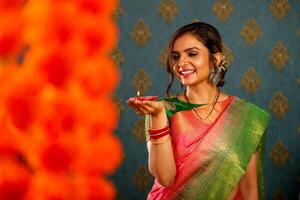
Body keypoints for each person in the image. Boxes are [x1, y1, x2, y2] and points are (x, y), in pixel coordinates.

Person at [127, 22, 269, 200]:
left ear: (215, 59)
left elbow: (249, 188)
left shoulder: (247, 117)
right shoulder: (163, 110)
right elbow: (165, 178)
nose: (181, 63)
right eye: (176, 57)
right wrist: (157, 116)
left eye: (192, 54)